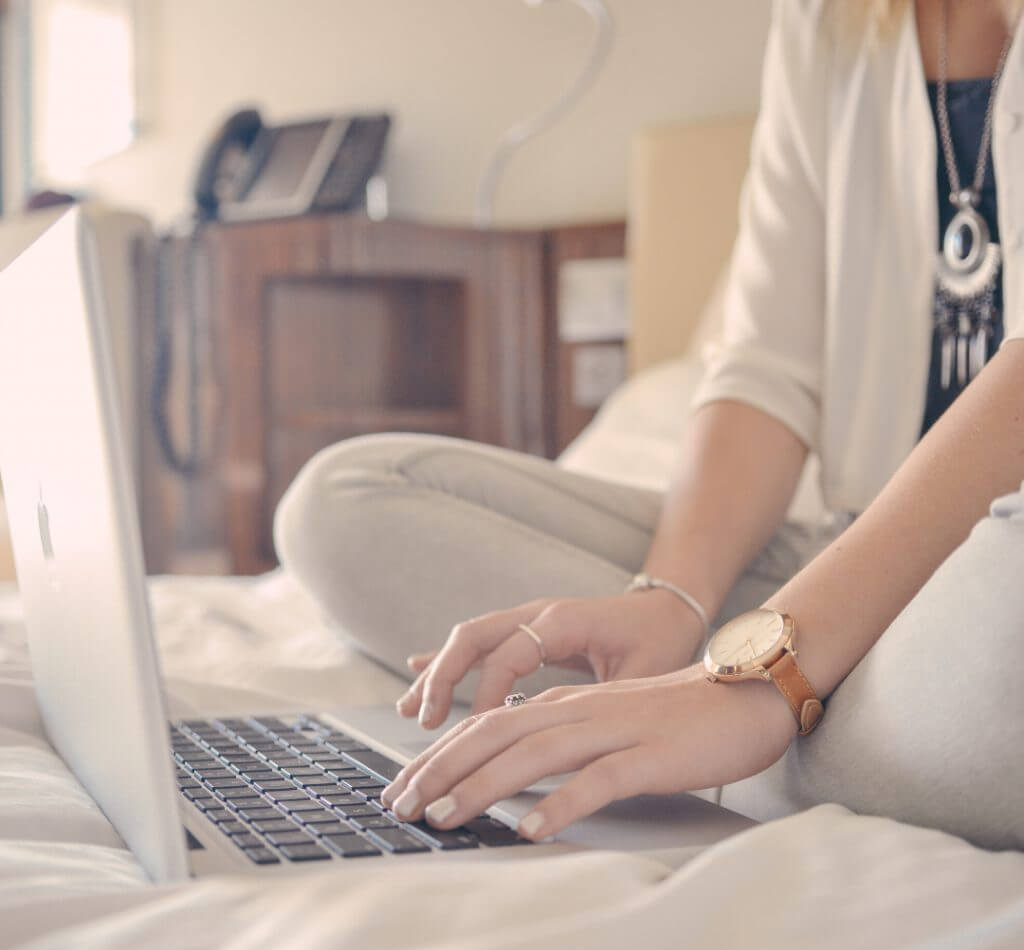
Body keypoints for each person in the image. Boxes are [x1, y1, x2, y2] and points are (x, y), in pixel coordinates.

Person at [274, 0, 1024, 850]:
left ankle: (731, 717)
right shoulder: (831, 20)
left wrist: (755, 681)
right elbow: (766, 364)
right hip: (844, 552)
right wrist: (675, 597)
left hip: (996, 576)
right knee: (348, 502)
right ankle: (742, 714)